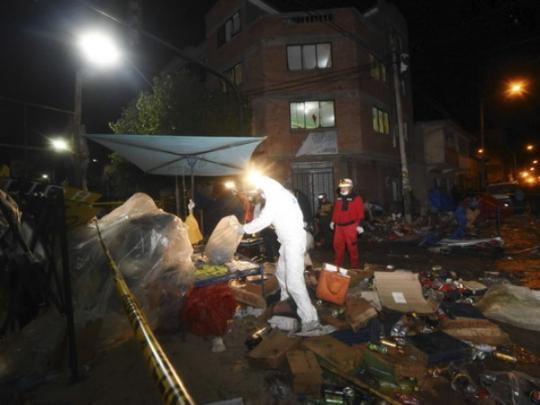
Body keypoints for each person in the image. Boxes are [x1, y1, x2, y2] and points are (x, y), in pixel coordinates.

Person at [238, 175, 333, 335]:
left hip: (293, 242)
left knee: (294, 283)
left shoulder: (276, 197)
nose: (258, 193)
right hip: (289, 241)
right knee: (281, 273)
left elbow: (263, 220)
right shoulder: (283, 194)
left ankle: (310, 321)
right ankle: (286, 304)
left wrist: (242, 229)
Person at [330, 178, 365, 269]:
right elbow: (336, 211)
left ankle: (354, 267)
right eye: (341, 187)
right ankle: (337, 266)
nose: (343, 189)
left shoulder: (356, 198)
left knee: (352, 247)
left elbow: (360, 212)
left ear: (350, 187)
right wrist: (333, 221)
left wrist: (360, 225)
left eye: (345, 187)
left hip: (351, 226)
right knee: (337, 246)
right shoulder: (339, 198)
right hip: (339, 227)